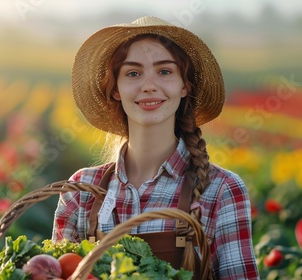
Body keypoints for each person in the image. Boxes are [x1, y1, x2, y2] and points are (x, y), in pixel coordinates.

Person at [52, 16, 259, 279]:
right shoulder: (81, 191)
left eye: (164, 71)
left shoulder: (221, 190)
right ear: (115, 89)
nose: (149, 86)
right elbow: (58, 271)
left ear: (184, 86)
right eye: (133, 73)